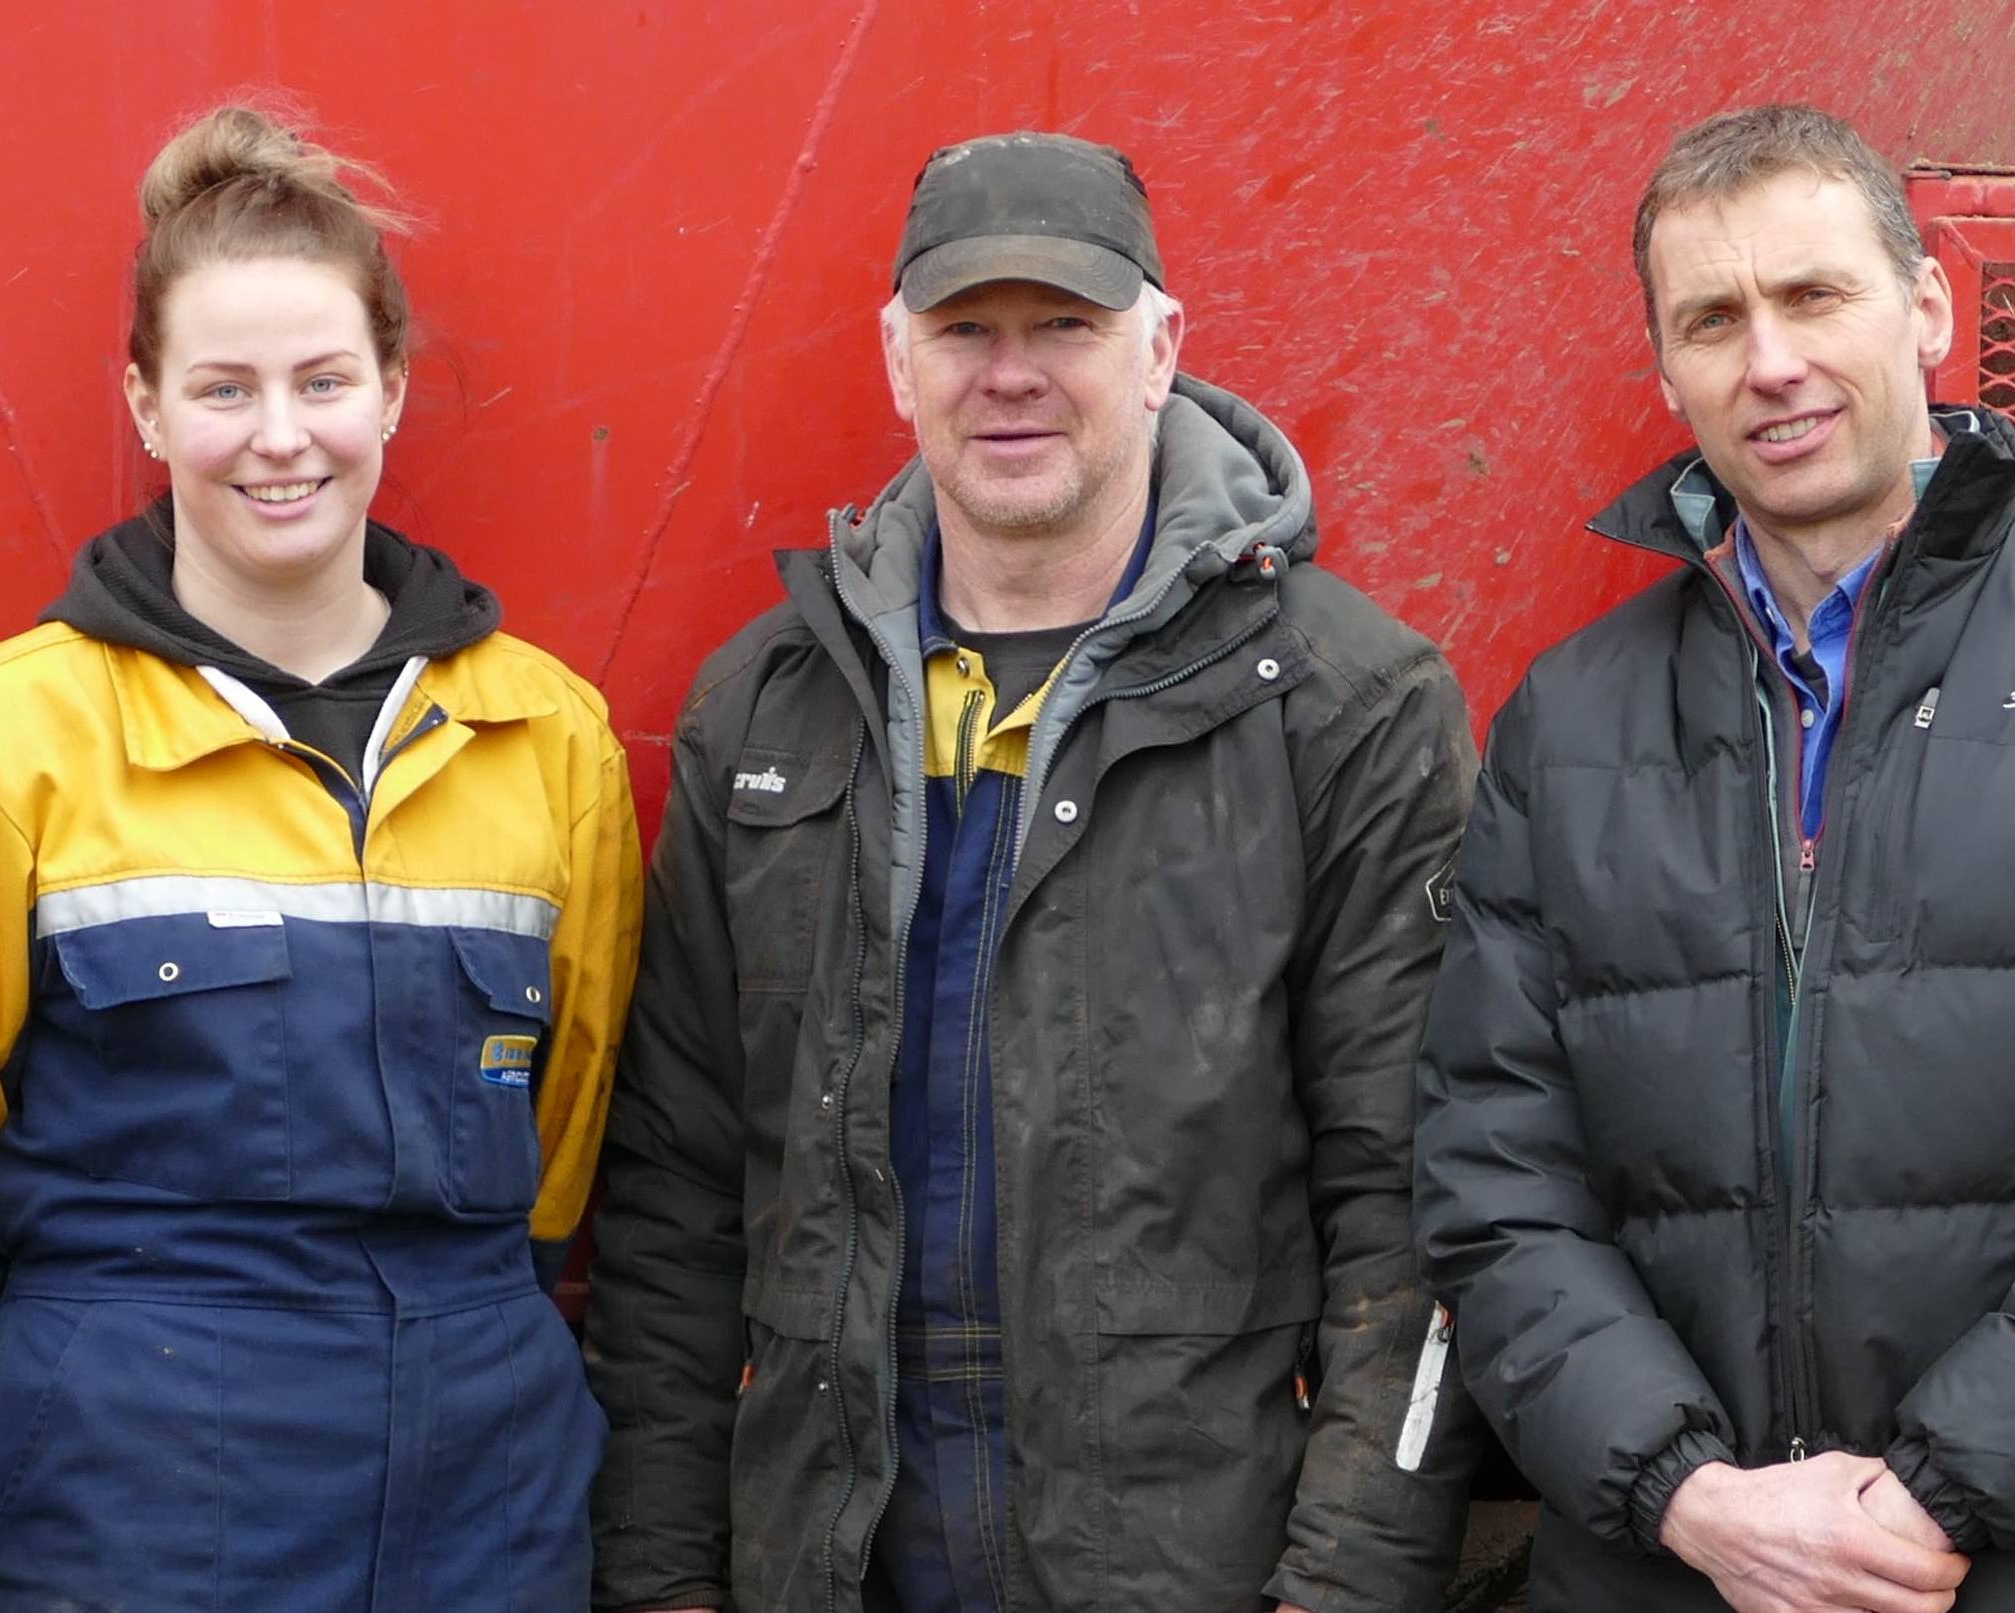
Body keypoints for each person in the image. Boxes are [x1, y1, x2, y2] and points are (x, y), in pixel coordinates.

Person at [1414, 103, 2015, 1613]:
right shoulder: (1568, 720)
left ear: (1923, 310)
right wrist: (1691, 1498)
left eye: (1812, 295)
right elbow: (1492, 1177)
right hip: (1686, 1573)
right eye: (1711, 319)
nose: (1767, 360)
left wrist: (1931, 1495)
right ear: (1666, 373)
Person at [583, 131, 1480, 1613]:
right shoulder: (764, 711)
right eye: (962, 332)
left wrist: (1342, 1592)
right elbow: (674, 1202)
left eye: (1064, 325)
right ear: (895, 359)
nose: (1010, 376)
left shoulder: (1343, 705)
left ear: (1158, 348)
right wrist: (666, 1578)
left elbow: (1407, 1221)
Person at [0, 103, 641, 1611]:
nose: (280, 434)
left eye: (324, 379)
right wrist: (107, 1380)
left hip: (487, 1484)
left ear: (391, 391)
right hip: (135, 1489)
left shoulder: (550, 740)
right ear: (143, 403)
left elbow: (564, 1145)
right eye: (223, 386)